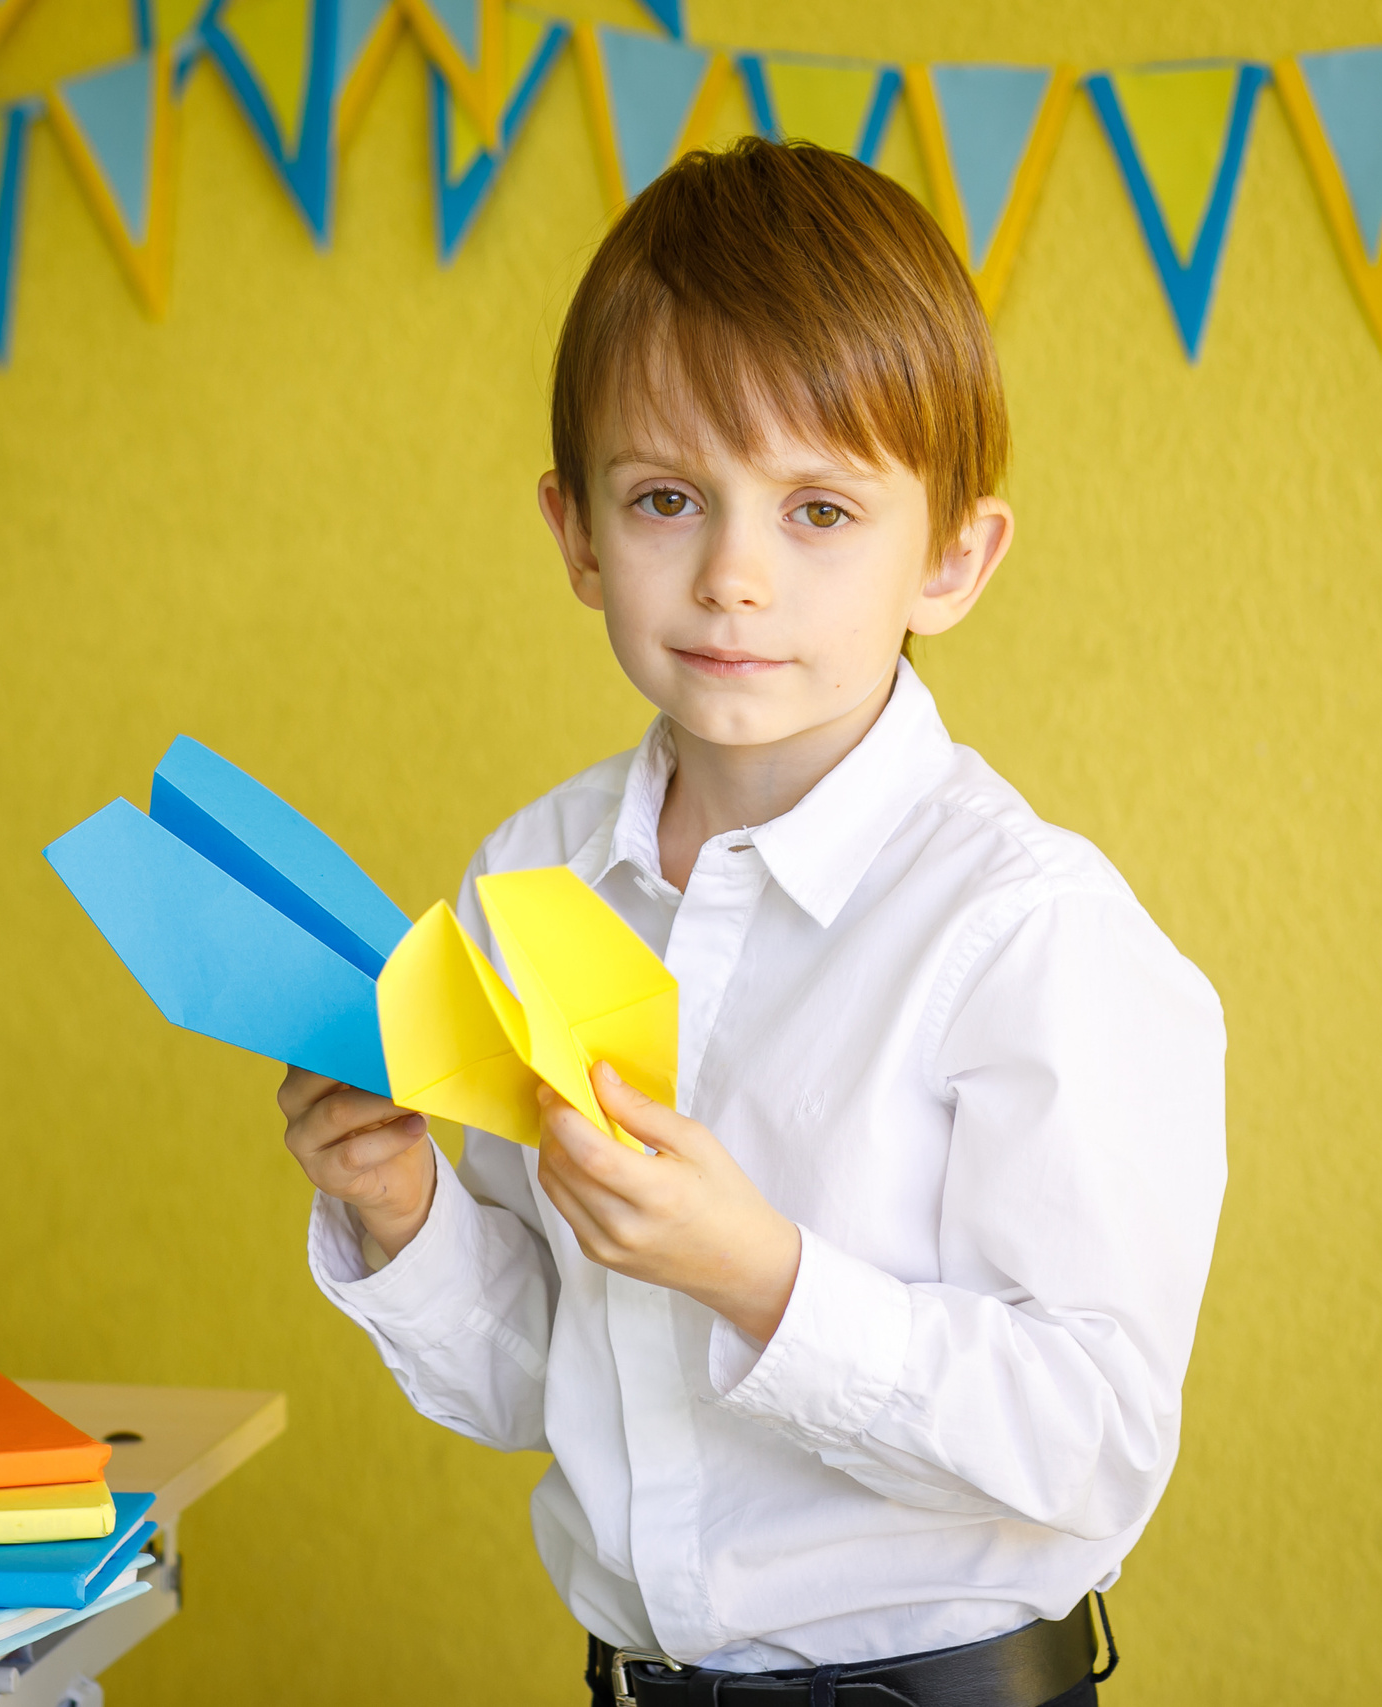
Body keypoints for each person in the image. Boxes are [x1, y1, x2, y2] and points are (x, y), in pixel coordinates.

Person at [280, 137, 1226, 1707]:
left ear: (953, 556)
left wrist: (765, 1279)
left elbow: (1093, 1429)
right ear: (577, 533)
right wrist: (406, 1210)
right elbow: (556, 1382)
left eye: (818, 511)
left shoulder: (1028, 930)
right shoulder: (533, 878)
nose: (731, 576)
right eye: (666, 499)